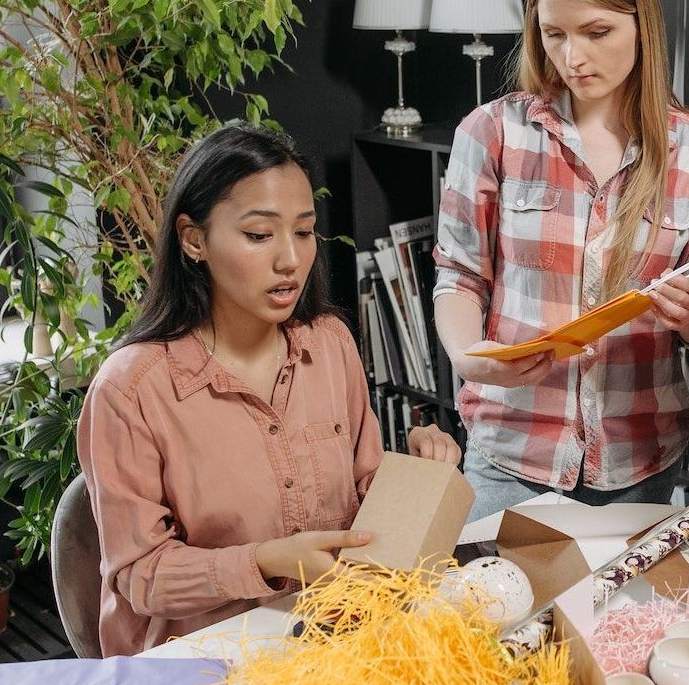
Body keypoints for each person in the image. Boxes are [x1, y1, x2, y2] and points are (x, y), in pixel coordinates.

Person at [78, 122, 460, 655]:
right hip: (207, 662)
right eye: (259, 235)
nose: (290, 260)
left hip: (335, 632)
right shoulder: (131, 390)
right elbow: (140, 576)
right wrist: (264, 562)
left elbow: (365, 500)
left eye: (303, 232)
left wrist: (415, 476)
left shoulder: (330, 345)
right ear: (194, 240)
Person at [433, 0, 689, 519]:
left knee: (622, 618)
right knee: (494, 615)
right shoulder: (493, 132)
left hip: (642, 463)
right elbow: (459, 276)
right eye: (555, 35)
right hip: (511, 455)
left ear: (641, 24)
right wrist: (467, 354)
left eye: (597, 31)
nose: (574, 57)